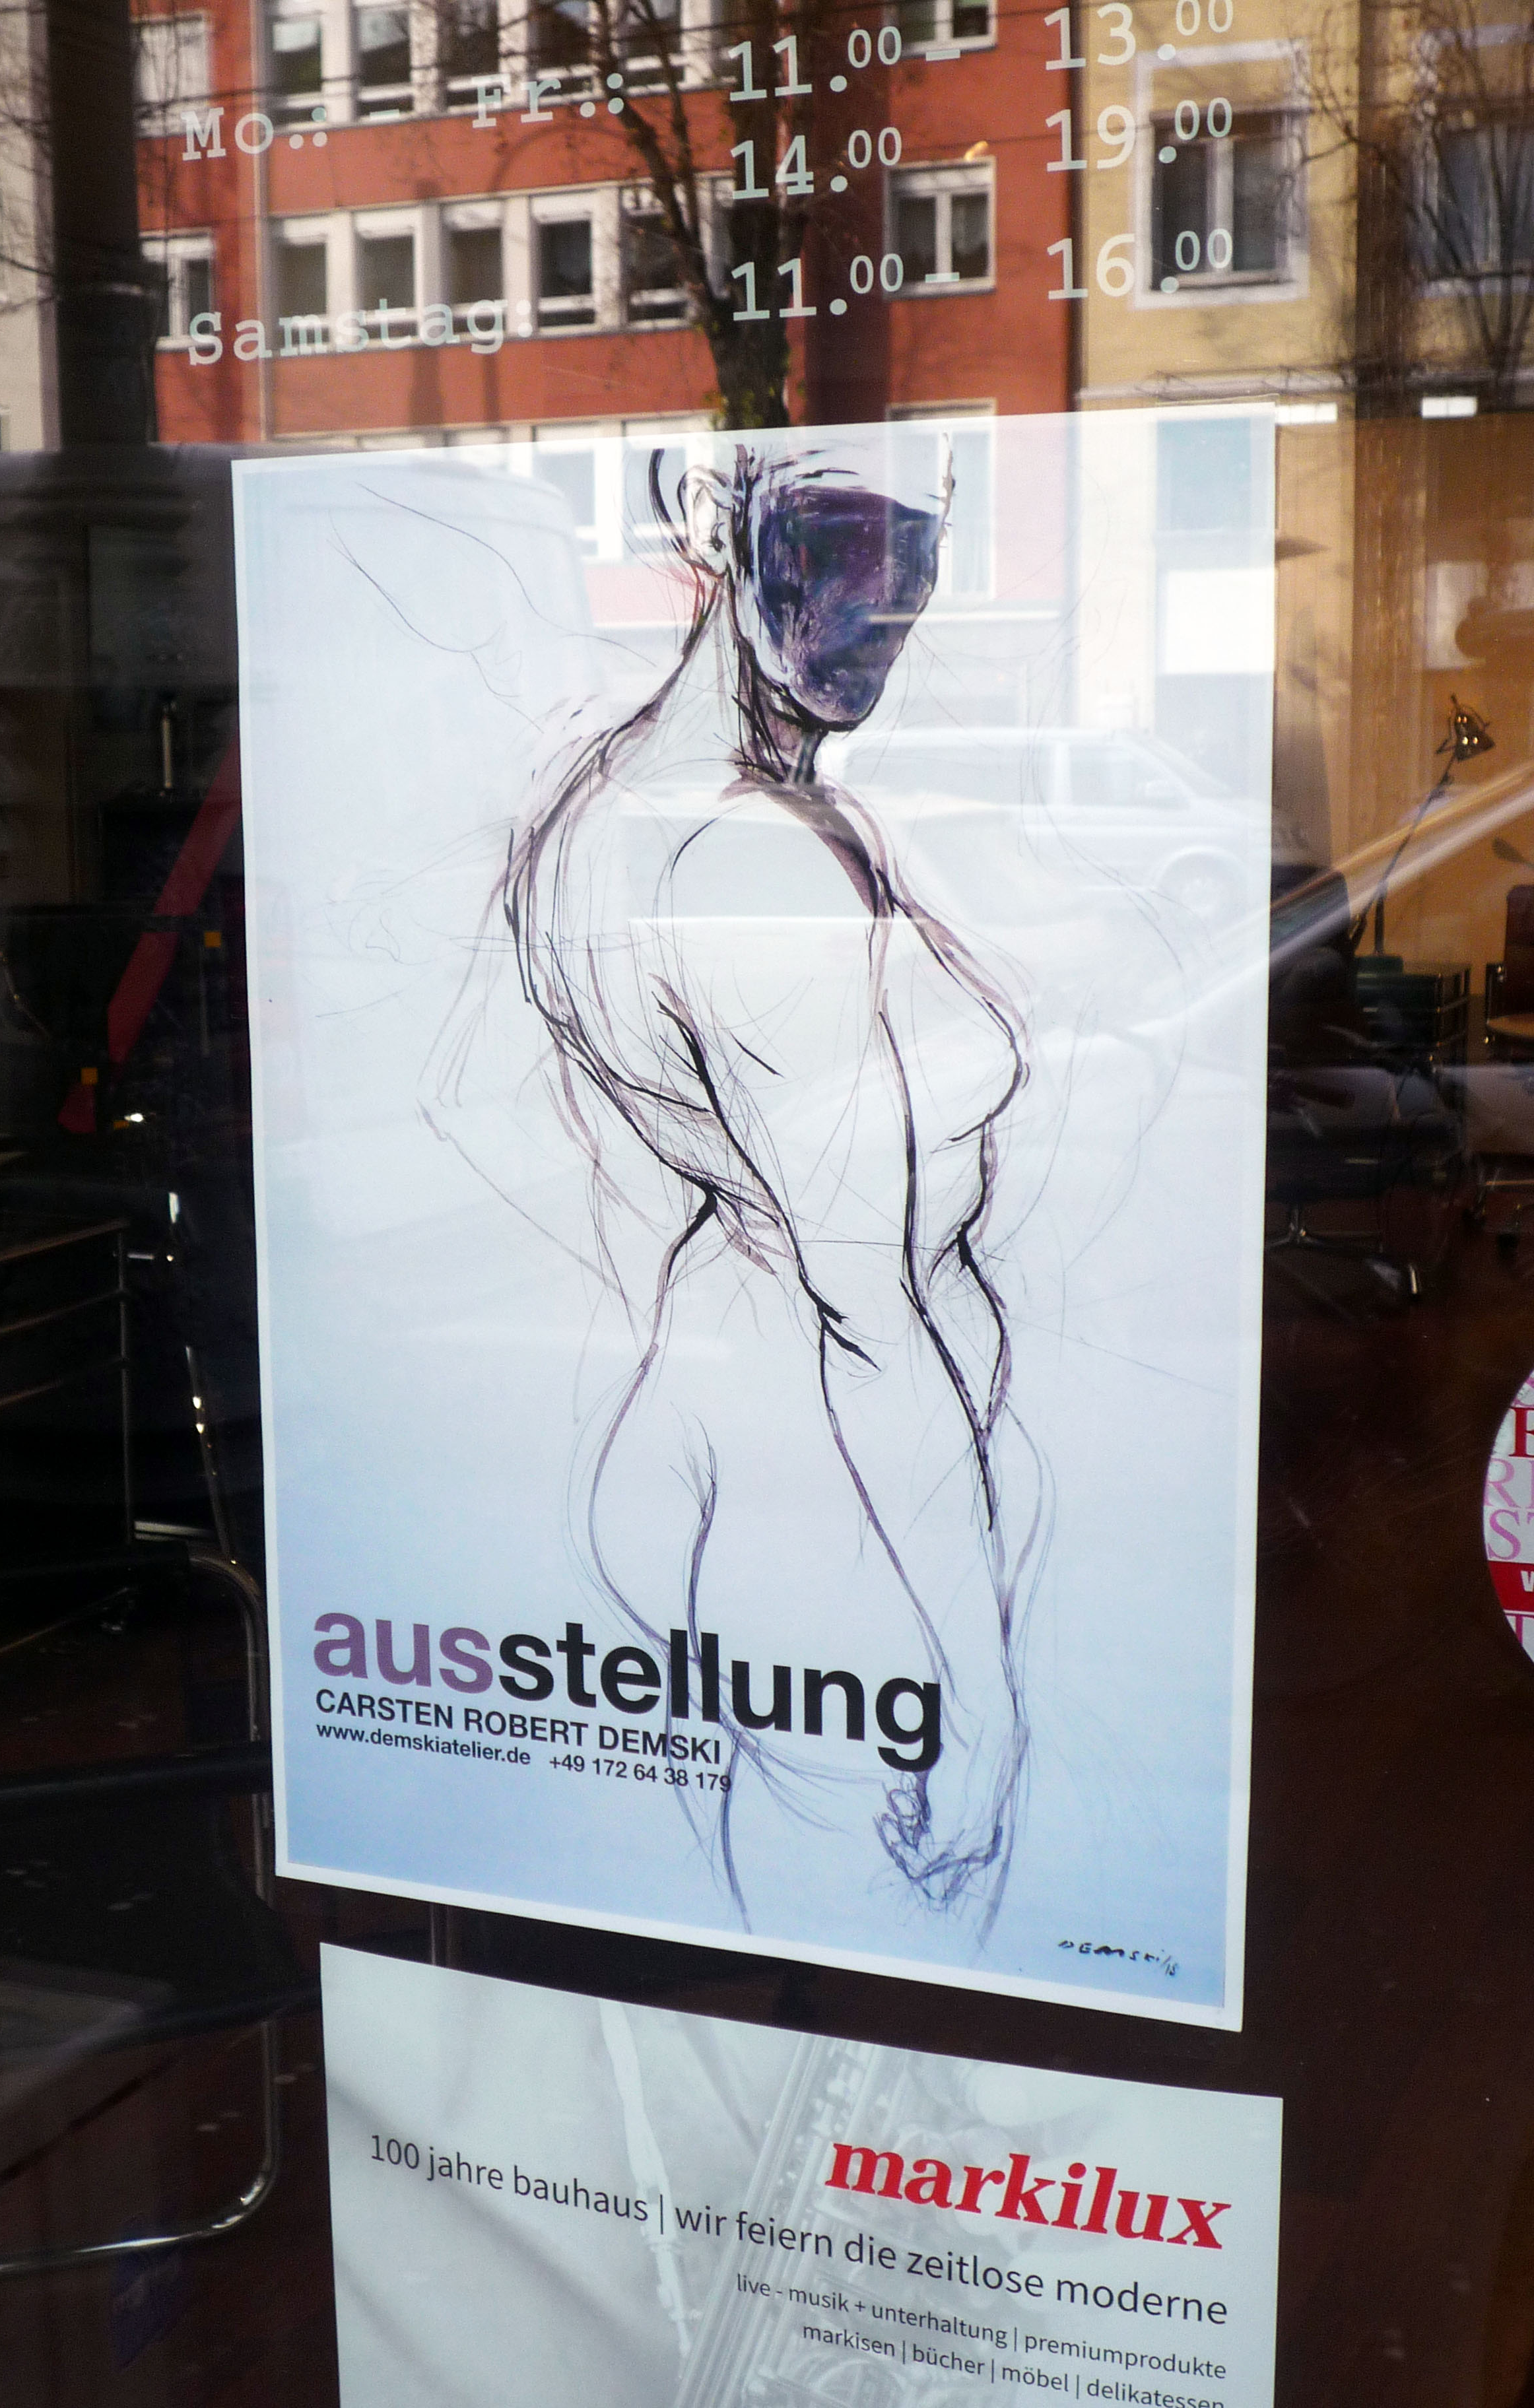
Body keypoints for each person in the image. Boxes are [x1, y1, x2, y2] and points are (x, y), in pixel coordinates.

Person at [494, 434, 1044, 1921]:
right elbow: (867, 1313)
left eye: (919, 546)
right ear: (709, 517)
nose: (883, 598)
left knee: (789, 1954)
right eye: (839, 534)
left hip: (744, 1438)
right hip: (839, 1516)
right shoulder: (744, 860)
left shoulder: (608, 809)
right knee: (867, 1977)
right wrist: (985, 1705)